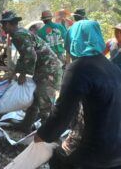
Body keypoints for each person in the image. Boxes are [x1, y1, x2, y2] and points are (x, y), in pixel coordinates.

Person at [34, 20, 121, 169]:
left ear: (73, 39)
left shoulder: (79, 68)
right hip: (116, 153)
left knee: (56, 160)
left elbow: (61, 113)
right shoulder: (112, 68)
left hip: (92, 156)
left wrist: (43, 135)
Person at [0, 10, 63, 134]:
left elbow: (31, 56)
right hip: (44, 68)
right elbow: (23, 56)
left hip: (49, 69)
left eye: (3, 24)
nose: (2, 27)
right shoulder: (19, 33)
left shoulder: (18, 35)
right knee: (35, 99)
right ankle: (25, 125)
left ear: (7, 24)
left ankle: (49, 132)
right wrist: (14, 72)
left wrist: (23, 74)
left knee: (44, 101)